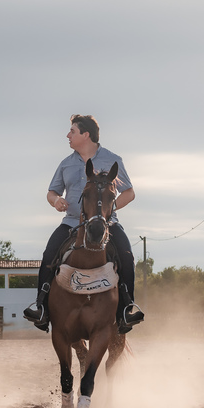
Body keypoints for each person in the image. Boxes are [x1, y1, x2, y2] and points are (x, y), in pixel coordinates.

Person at [23, 114, 145, 334]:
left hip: (107, 225)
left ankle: (127, 307)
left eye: (72, 131)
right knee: (49, 254)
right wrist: (56, 201)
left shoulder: (112, 159)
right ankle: (41, 306)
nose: (67, 135)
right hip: (71, 223)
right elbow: (51, 192)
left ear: (86, 134)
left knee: (126, 256)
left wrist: (109, 210)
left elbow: (129, 192)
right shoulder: (65, 163)